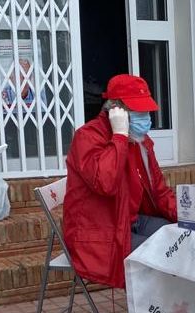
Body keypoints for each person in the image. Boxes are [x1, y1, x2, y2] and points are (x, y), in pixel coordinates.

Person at [63, 74, 178, 288]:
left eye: (146, 112)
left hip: (130, 220)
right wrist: (119, 136)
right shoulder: (87, 137)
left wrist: (190, 217)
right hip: (100, 232)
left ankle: (174, 307)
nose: (145, 118)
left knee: (181, 238)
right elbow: (106, 183)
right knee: (162, 255)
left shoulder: (140, 141)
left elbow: (159, 190)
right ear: (116, 111)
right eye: (138, 112)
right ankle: (153, 309)